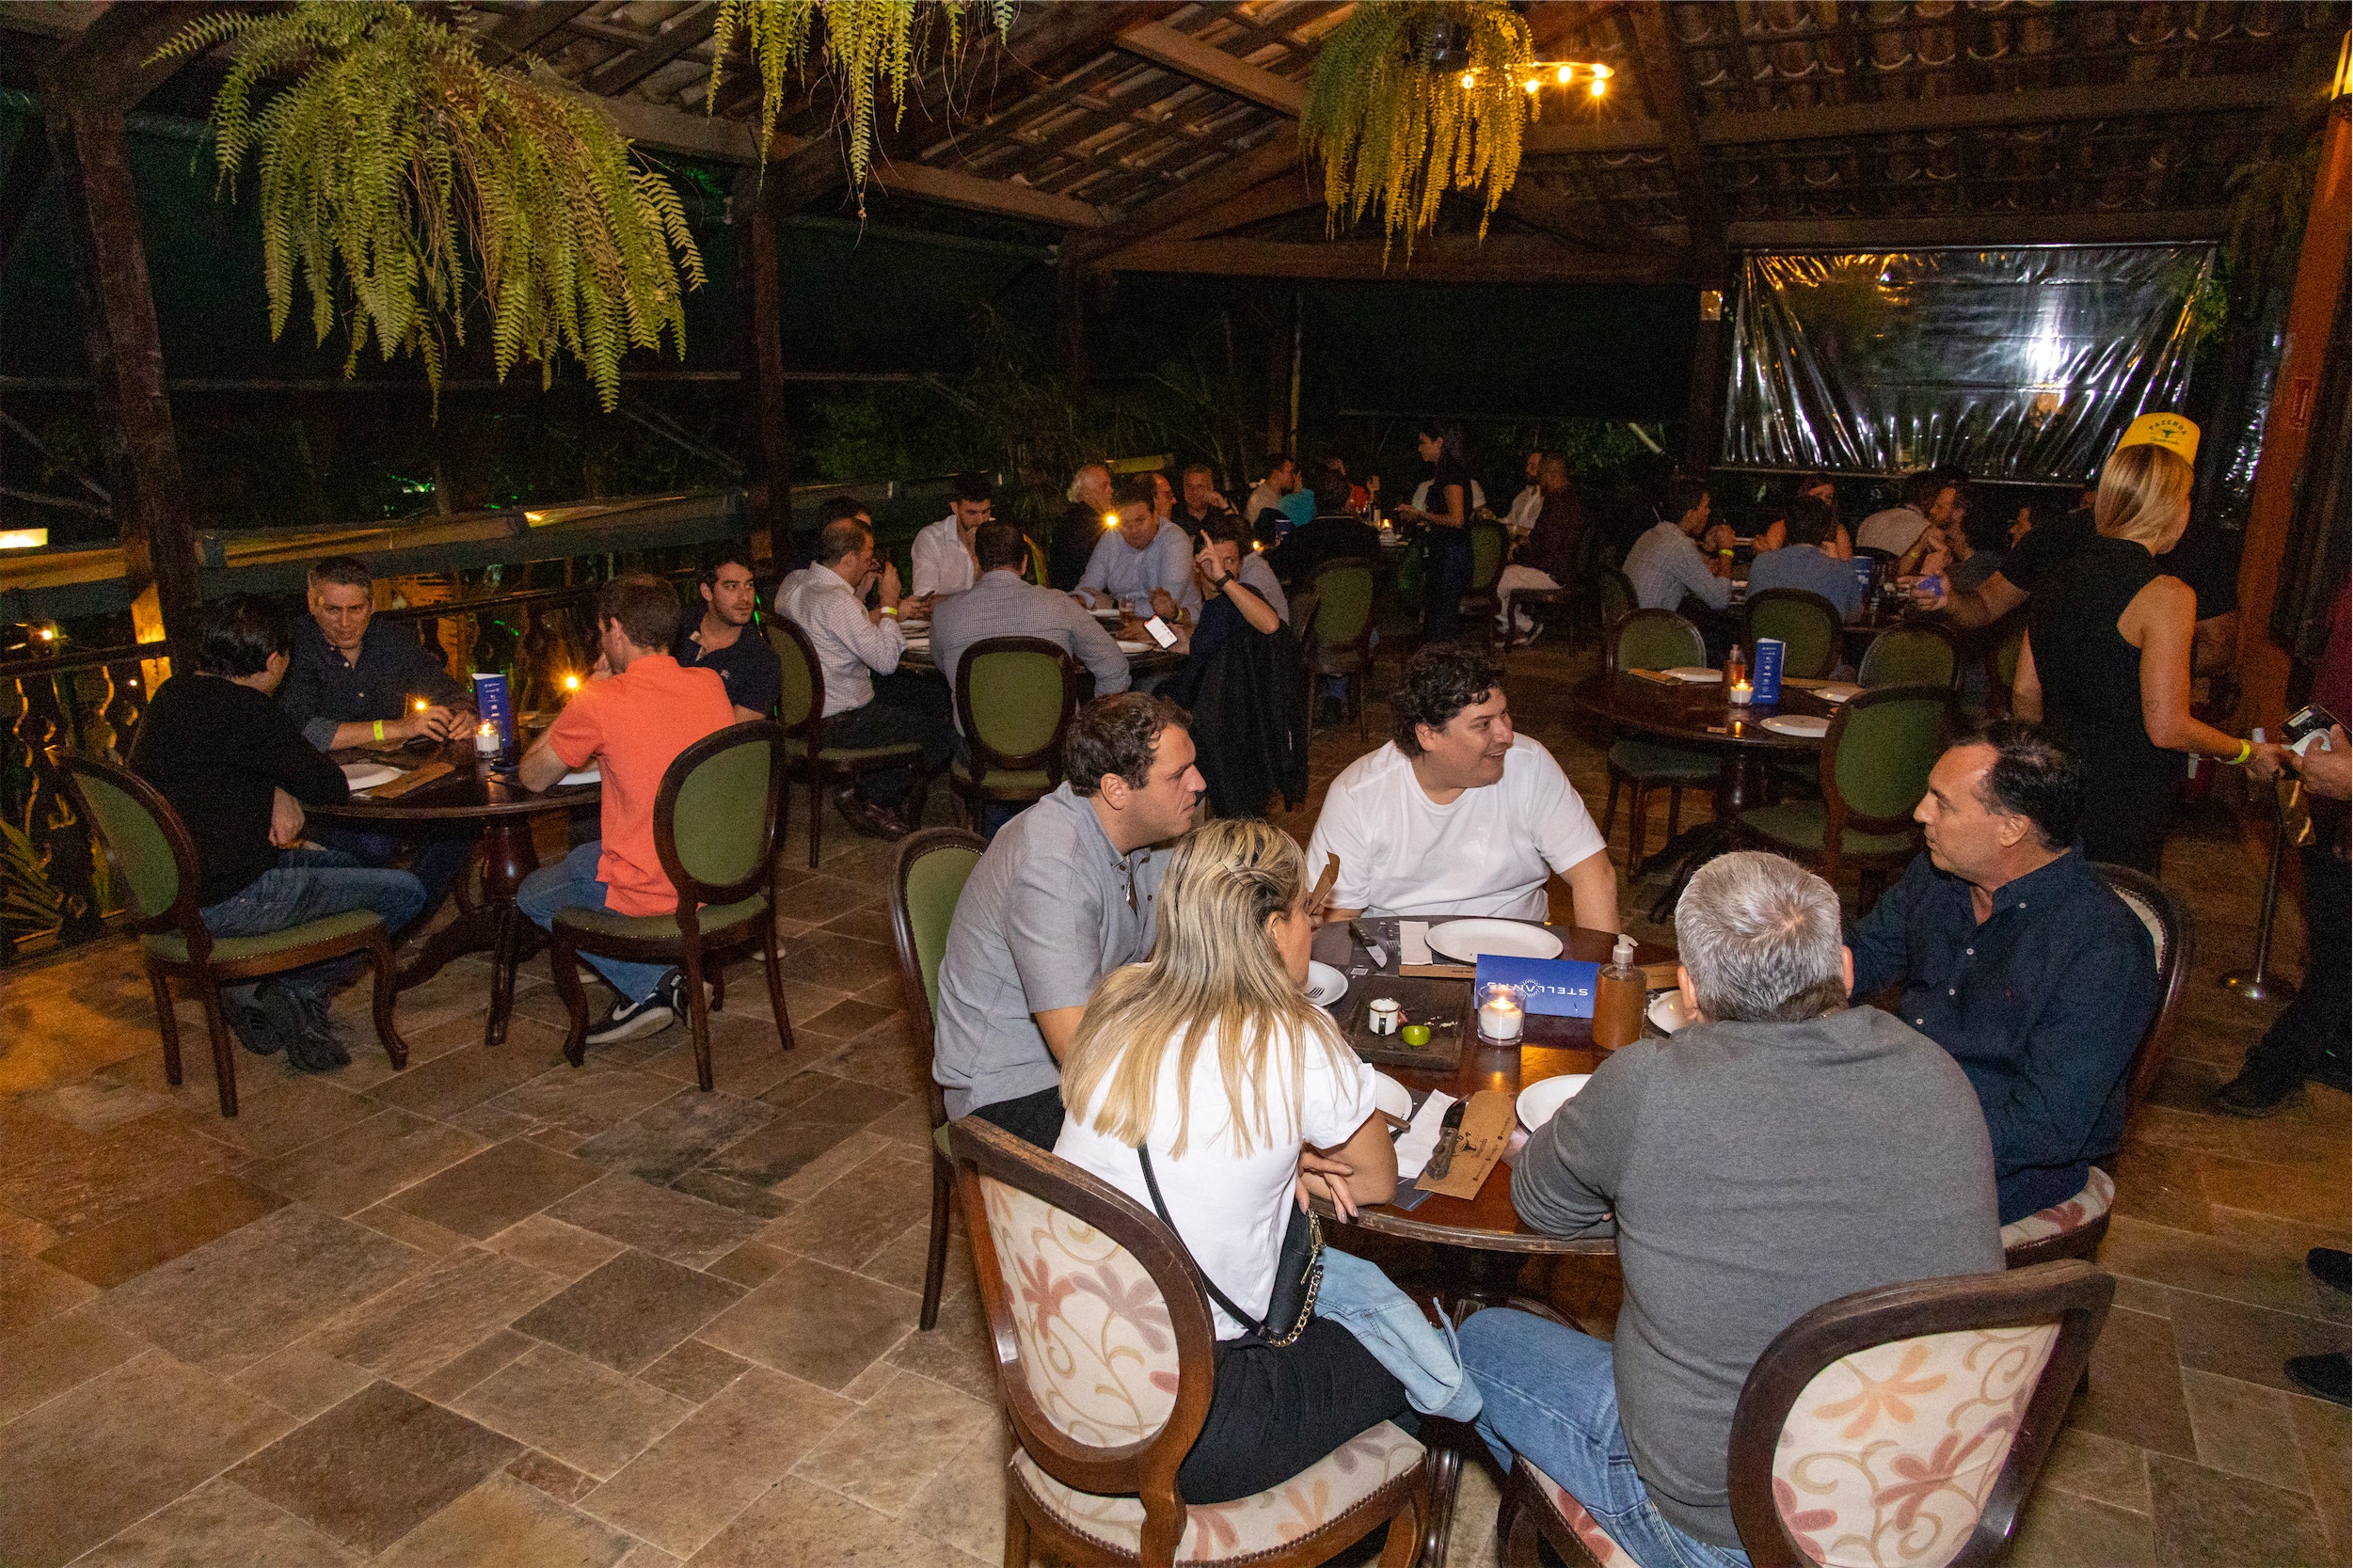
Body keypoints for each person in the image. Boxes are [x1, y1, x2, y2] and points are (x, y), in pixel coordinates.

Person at [1462, 851, 2001, 1568]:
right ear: (1843, 969)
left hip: (1724, 1529)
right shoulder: (1937, 1071)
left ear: (1689, 989)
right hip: (1920, 1505)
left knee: (1481, 1338)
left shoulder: (1649, 1083)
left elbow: (1542, 1205)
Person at [1055, 818, 1410, 1504]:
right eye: (1306, 913)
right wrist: (1297, 1159)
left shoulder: (1115, 1005)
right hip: (1198, 1424)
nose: (1313, 929)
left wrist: (1280, 1159)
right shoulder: (1297, 1037)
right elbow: (1374, 1180)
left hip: (1069, 1381)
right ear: (1274, 929)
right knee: (1409, 1354)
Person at [1846, 722, 2160, 1225]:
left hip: (2005, 1160)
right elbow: (1863, 954)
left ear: (2012, 828)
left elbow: (2045, 1127)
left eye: (1943, 803)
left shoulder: (2102, 946)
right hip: (1905, 1098)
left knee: (1808, 1207)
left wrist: (1892, 1135)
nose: (1920, 813)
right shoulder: (1937, 877)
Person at [130, 594, 427, 1068]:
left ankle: (257, 991)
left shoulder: (171, 696)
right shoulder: (251, 711)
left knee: (348, 864)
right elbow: (328, 785)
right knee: (406, 892)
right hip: (234, 897)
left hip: (169, 891)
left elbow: (219, 765)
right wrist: (282, 782)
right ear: (273, 662)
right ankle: (295, 991)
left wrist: (274, 786)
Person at [931, 693, 1204, 1147]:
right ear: (1116, 789)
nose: (1198, 783)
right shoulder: (1053, 867)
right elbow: (1080, 1050)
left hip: (1095, 1053)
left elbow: (1198, 932)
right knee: (1201, 1141)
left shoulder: (1149, 834)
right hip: (1013, 1093)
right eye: (1178, 775)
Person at [2012, 423, 2287, 870]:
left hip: (2054, 783)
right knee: (2119, 905)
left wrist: (2040, 766)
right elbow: (2167, 726)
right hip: (2124, 793)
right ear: (2172, 510)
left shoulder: (2056, 576)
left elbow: (2026, 690)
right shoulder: (2167, 594)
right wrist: (2245, 752)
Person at [514, 574, 736, 1043]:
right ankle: (650, 974)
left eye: (601, 632)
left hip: (656, 883)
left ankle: (654, 984)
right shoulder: (710, 683)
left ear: (614, 628)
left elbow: (532, 776)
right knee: (584, 857)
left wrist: (588, 687)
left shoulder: (601, 700)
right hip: (717, 870)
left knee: (532, 893)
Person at [1310, 643, 1615, 927]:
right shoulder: (1358, 797)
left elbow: (1594, 875)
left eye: (1504, 714)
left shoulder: (1529, 764)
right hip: (1403, 955)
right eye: (1483, 724)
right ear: (1428, 734)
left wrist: (1604, 968)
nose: (1506, 735)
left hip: (1517, 947)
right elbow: (1337, 918)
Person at [276, 555, 474, 921]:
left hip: (392, 783)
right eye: (332, 610)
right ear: (312, 603)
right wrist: (396, 728)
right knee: (375, 844)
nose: (345, 622)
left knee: (459, 828)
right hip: (321, 792)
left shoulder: (390, 639)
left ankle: (399, 922)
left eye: (356, 609)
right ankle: (375, 925)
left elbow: (449, 691)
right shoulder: (293, 647)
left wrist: (463, 715)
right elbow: (302, 730)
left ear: (372, 605)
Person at [2216, 579, 2350, 1118]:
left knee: (2339, 961)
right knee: (2335, 948)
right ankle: (2332, 1052)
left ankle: (2276, 1067)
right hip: (2326, 804)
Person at [775, 514, 957, 839]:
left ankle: (872, 780)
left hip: (805, 717)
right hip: (844, 723)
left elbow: (832, 632)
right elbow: (886, 661)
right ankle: (873, 796)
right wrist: (888, 603)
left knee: (926, 697)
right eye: (868, 553)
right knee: (945, 733)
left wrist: (859, 593)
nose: (872, 561)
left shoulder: (794, 584)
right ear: (848, 559)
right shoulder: (837, 602)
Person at [930, 519, 1131, 707]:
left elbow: (945, 667)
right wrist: (1098, 720)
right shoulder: (1060, 606)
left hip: (976, 733)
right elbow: (1114, 666)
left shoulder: (944, 614)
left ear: (977, 562)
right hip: (1059, 732)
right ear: (1024, 563)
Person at [673, 546, 781, 723]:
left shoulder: (762, 661)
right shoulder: (678, 626)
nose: (745, 598)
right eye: (732, 587)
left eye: (749, 585)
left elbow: (731, 733)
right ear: (707, 592)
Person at [1074, 476, 1200, 620]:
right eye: (1125, 524)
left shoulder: (1175, 540)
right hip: (1119, 622)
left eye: (1140, 521)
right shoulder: (1112, 537)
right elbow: (1088, 588)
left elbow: (1166, 608)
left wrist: (1114, 606)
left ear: (1155, 515)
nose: (1133, 530)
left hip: (1173, 625)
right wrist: (1079, 600)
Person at [1397, 421, 1476, 641]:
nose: (1419, 448)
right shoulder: (1444, 471)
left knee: (1442, 617)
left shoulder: (1451, 472)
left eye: (1423, 442)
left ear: (1439, 442)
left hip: (1452, 554)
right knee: (1438, 614)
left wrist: (1421, 514)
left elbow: (1457, 519)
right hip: (1445, 550)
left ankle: (1440, 657)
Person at [1494, 455, 1584, 641]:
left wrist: (1519, 556)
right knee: (1507, 573)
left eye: (1542, 477)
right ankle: (1512, 627)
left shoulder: (1559, 503)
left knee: (1495, 581)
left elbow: (1547, 547)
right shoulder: (1571, 498)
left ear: (1552, 476)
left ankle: (1526, 626)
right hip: (1558, 568)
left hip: (1553, 572)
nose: (1541, 483)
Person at [1623, 475, 1735, 614]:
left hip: (1631, 621)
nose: (1708, 512)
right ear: (1690, 515)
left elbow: (1681, 570)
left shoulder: (1653, 534)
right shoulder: (1679, 545)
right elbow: (1720, 600)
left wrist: (1707, 548)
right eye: (1705, 507)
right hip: (1649, 625)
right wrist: (1726, 550)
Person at [1744, 493, 1862, 620]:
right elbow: (1854, 615)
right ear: (1824, 531)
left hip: (1768, 632)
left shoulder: (1761, 563)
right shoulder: (1843, 571)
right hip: (1819, 633)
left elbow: (1750, 604)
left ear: (1787, 528)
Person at [911, 470, 992, 601]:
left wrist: (978, 556)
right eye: (972, 513)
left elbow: (1007, 590)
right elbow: (924, 600)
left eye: (985, 512)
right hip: (946, 615)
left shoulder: (1001, 534)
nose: (980, 521)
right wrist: (970, 601)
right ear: (955, 508)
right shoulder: (931, 539)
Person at [1854, 468, 1964, 557]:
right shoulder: (1927, 530)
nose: (1933, 509)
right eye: (1937, 498)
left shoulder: (1869, 521)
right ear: (1928, 498)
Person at [1755, 471, 1852, 557]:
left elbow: (1846, 567)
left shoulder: (1838, 531)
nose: (1822, 500)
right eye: (1818, 495)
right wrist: (1767, 552)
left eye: (1828, 497)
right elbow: (1770, 565)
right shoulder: (1781, 527)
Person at [1052, 463, 1116, 591]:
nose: (1111, 490)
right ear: (1085, 493)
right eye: (1104, 486)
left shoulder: (1073, 518)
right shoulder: (1086, 524)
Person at [1172, 462, 1236, 538]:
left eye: (1200, 486)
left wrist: (1224, 507)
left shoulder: (1219, 513)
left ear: (1211, 488)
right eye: (1189, 486)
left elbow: (1240, 535)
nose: (1194, 492)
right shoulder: (1174, 516)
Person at [1245, 453, 1299, 529]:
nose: (1294, 477)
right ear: (1277, 473)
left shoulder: (1277, 496)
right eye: (1290, 472)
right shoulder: (1261, 499)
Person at [1503, 449, 1545, 534]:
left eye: (1533, 467)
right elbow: (1509, 520)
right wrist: (1491, 520)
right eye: (1527, 465)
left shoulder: (1550, 500)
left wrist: (1520, 531)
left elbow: (1546, 535)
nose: (1527, 470)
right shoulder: (1524, 494)